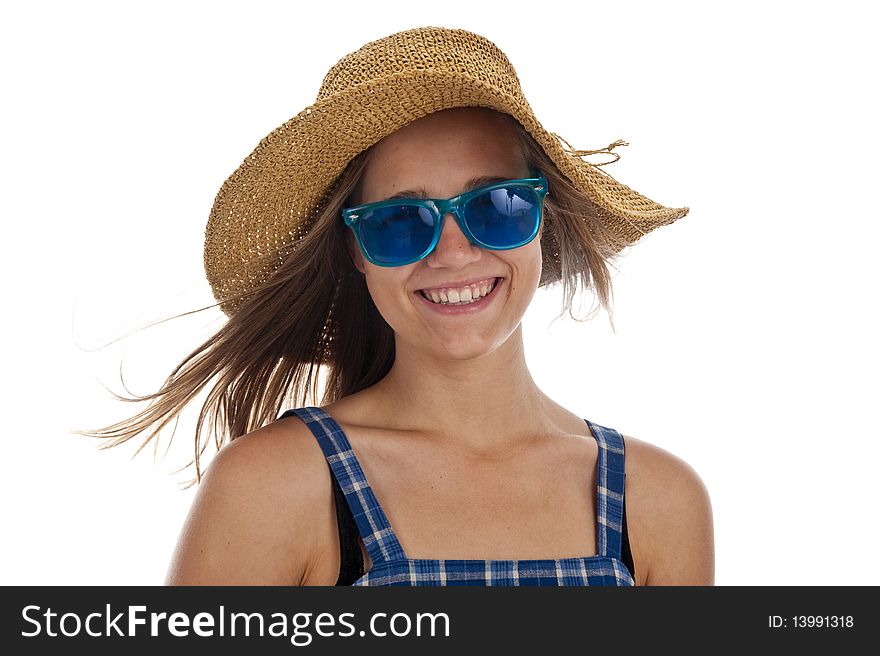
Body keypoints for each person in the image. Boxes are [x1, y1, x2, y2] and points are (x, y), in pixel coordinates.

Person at [89, 26, 714, 586]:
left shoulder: (658, 501)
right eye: (399, 222)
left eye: (497, 205)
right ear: (357, 250)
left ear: (543, 219)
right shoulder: (274, 488)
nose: (452, 252)